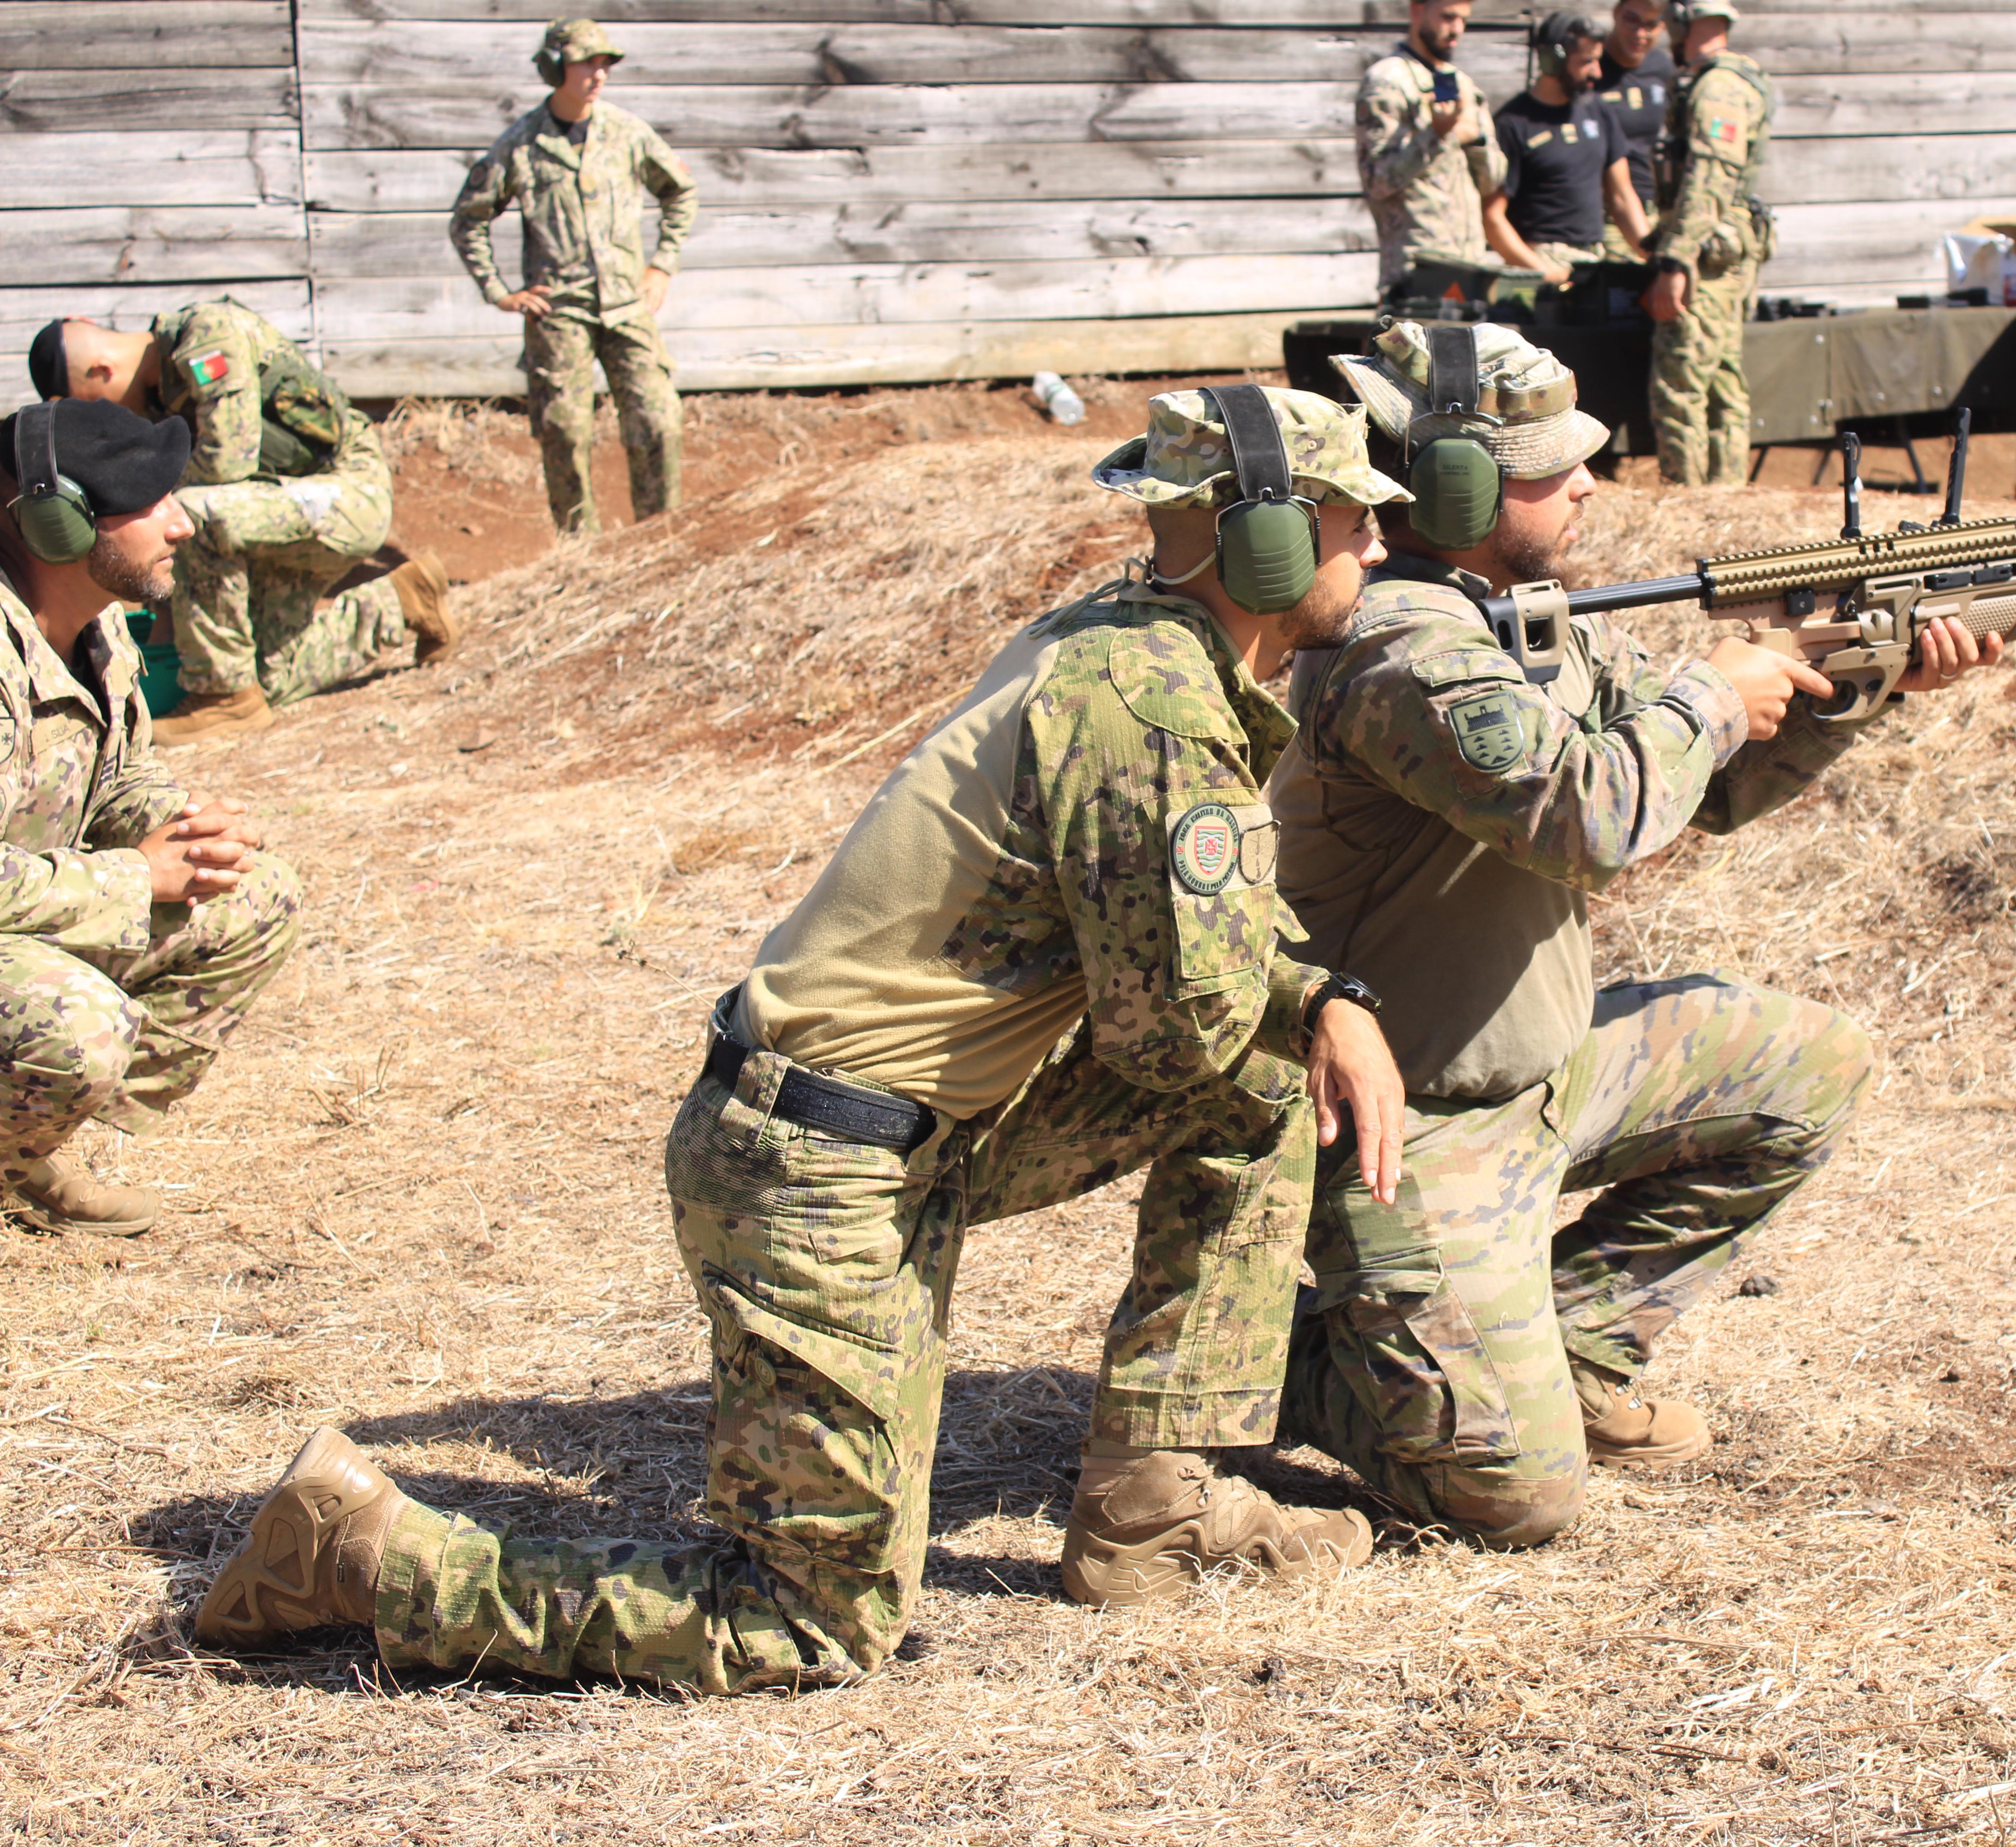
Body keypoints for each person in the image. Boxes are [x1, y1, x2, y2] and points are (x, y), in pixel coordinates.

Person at [195, 388, 1414, 1693]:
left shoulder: (1122, 646)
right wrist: (1325, 998)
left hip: (894, 1136)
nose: (1381, 550)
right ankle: (362, 1556)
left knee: (1273, 1076)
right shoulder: (1150, 711)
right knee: (805, 1624)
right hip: (811, 1174)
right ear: (1269, 541)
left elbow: (1200, 988)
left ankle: (1154, 1512)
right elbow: (1180, 1028)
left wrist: (1326, 1002)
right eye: (1355, 520)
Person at [1276, 322, 2004, 1545]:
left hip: (1542, 1077)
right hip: (1413, 1129)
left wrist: (1862, 684)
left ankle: (1565, 1357)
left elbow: (1700, 788)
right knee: (1515, 1504)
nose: (1587, 485)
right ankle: (1313, 1375)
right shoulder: (1400, 643)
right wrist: (1711, 693)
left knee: (1808, 1069)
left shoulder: (1513, 615)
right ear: (1454, 482)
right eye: (1549, 467)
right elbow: (1590, 817)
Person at [1, 398, 299, 1237]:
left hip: (33, 904)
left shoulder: (94, 623)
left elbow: (116, 775)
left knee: (253, 895)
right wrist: (138, 875)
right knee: (76, 1026)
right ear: (60, 524)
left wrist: (182, 825)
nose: (180, 524)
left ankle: (20, 1153)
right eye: (149, 500)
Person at [30, 307, 456, 744]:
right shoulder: (158, 396)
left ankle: (223, 697)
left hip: (347, 492)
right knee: (267, 675)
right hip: (273, 508)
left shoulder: (208, 335)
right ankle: (405, 600)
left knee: (188, 517)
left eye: (97, 405)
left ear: (102, 370)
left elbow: (227, 460)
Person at [450, 17, 698, 538]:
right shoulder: (520, 145)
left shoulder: (627, 133)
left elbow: (680, 191)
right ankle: (579, 549)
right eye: (587, 62)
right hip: (558, 311)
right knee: (564, 429)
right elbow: (469, 219)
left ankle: (661, 541)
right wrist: (499, 293)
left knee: (658, 419)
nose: (599, 73)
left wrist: (662, 263)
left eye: (605, 62)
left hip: (627, 304)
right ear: (557, 67)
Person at [1642, 0, 1775, 486]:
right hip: (1721, 248)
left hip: (1707, 254)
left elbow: (1710, 179)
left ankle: (1691, 501)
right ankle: (1725, 495)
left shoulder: (1718, 86)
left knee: (1680, 384)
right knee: (1721, 378)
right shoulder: (1728, 78)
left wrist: (1676, 259)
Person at [1486, 13, 1653, 283]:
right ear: (1553, 62)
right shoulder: (1512, 124)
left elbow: (1622, 197)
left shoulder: (1599, 110)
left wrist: (1652, 256)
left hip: (1594, 260)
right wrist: (1544, 273)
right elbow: (1492, 219)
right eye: (1587, 62)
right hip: (1542, 261)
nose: (1597, 72)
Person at [1356, 0, 1507, 293]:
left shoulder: (1464, 86)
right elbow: (1376, 180)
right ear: (1417, 11)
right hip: (1416, 269)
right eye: (1448, 18)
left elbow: (1492, 182)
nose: (1457, 30)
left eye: (1464, 20)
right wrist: (1437, 136)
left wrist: (1476, 141)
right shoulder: (1387, 83)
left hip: (1469, 264)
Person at [1588, 0, 1675, 262]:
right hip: (1605, 213)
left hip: (1653, 206)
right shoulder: (1590, 66)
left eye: (1651, 25)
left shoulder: (1662, 68)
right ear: (1616, 13)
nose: (1640, 34)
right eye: (1632, 20)